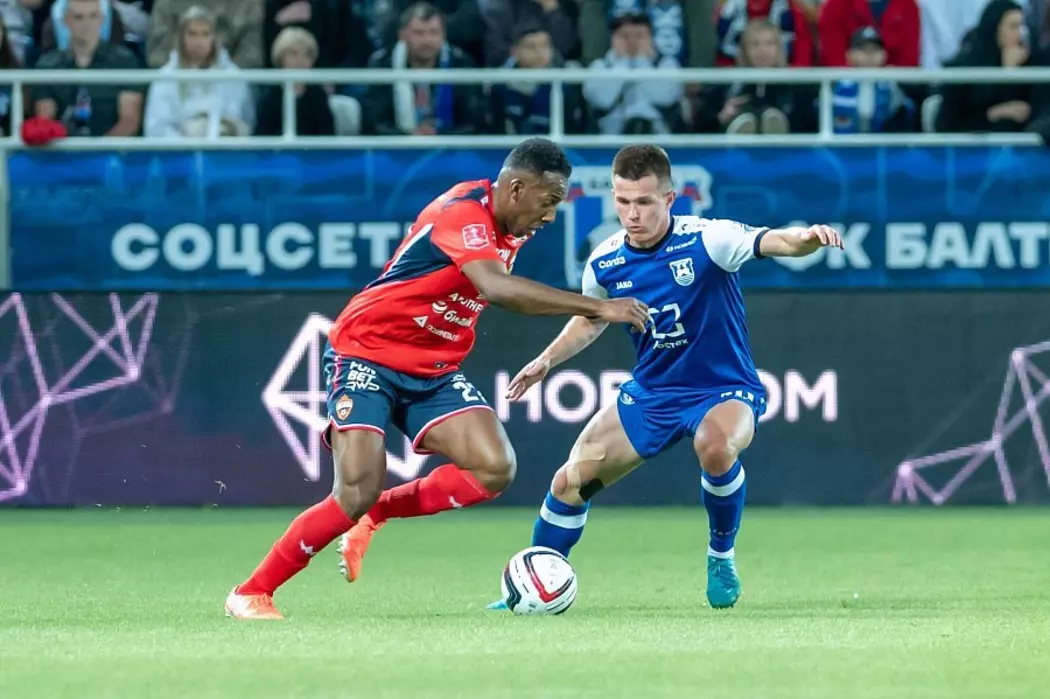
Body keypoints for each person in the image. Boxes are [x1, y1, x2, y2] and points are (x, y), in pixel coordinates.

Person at [339, 144, 843, 610]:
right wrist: (546, 361)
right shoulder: (607, 258)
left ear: (670, 199)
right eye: (623, 202)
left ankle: (721, 556)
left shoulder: (709, 239)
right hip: (651, 393)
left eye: (644, 202)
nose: (632, 213)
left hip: (722, 388)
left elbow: (774, 240)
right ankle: (528, 585)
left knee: (714, 445)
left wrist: (806, 239)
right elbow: (590, 319)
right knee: (569, 481)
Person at [225, 138, 649, 620]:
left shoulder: (514, 226)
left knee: (494, 468)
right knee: (356, 488)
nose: (551, 216)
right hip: (366, 353)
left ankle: (378, 513)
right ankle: (251, 592)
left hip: (431, 369)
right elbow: (496, 287)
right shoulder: (463, 212)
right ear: (515, 188)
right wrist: (598, 307)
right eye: (548, 201)